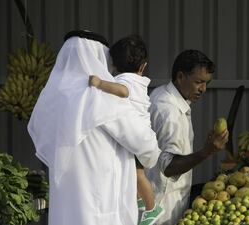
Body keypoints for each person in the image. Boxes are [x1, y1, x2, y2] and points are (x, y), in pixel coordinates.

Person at [28, 30, 161, 225]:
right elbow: (143, 142)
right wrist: (151, 158)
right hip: (100, 201)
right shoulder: (102, 94)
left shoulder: (52, 96)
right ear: (100, 55)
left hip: (67, 200)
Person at [146, 49, 229, 225]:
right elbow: (168, 166)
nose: (203, 89)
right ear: (181, 76)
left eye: (207, 83)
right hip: (163, 205)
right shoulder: (169, 111)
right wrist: (207, 152)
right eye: (198, 82)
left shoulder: (162, 94)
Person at [88, 34, 164, 225]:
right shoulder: (140, 81)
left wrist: (100, 84)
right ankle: (141, 200)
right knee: (135, 174)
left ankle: (152, 208)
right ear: (143, 66)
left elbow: (123, 92)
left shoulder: (124, 82)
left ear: (113, 65)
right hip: (143, 134)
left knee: (138, 176)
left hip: (138, 137)